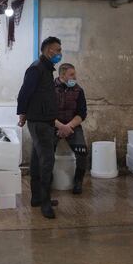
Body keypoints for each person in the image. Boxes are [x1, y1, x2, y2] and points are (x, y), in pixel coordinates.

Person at [17, 36, 63, 219]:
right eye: (58, 50)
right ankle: (45, 202)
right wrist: (22, 113)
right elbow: (24, 93)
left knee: (37, 160)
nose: (60, 53)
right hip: (39, 122)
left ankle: (37, 197)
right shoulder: (36, 69)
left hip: (45, 120)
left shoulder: (46, 69)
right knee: (47, 161)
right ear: (49, 50)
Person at [55, 63, 88, 195]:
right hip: (53, 125)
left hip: (72, 125)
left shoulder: (78, 90)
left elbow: (82, 114)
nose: (75, 77)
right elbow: (46, 113)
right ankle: (47, 180)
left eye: (75, 74)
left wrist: (68, 127)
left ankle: (78, 181)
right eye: (72, 74)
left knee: (82, 151)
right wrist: (60, 126)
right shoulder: (49, 89)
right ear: (62, 75)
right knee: (45, 151)